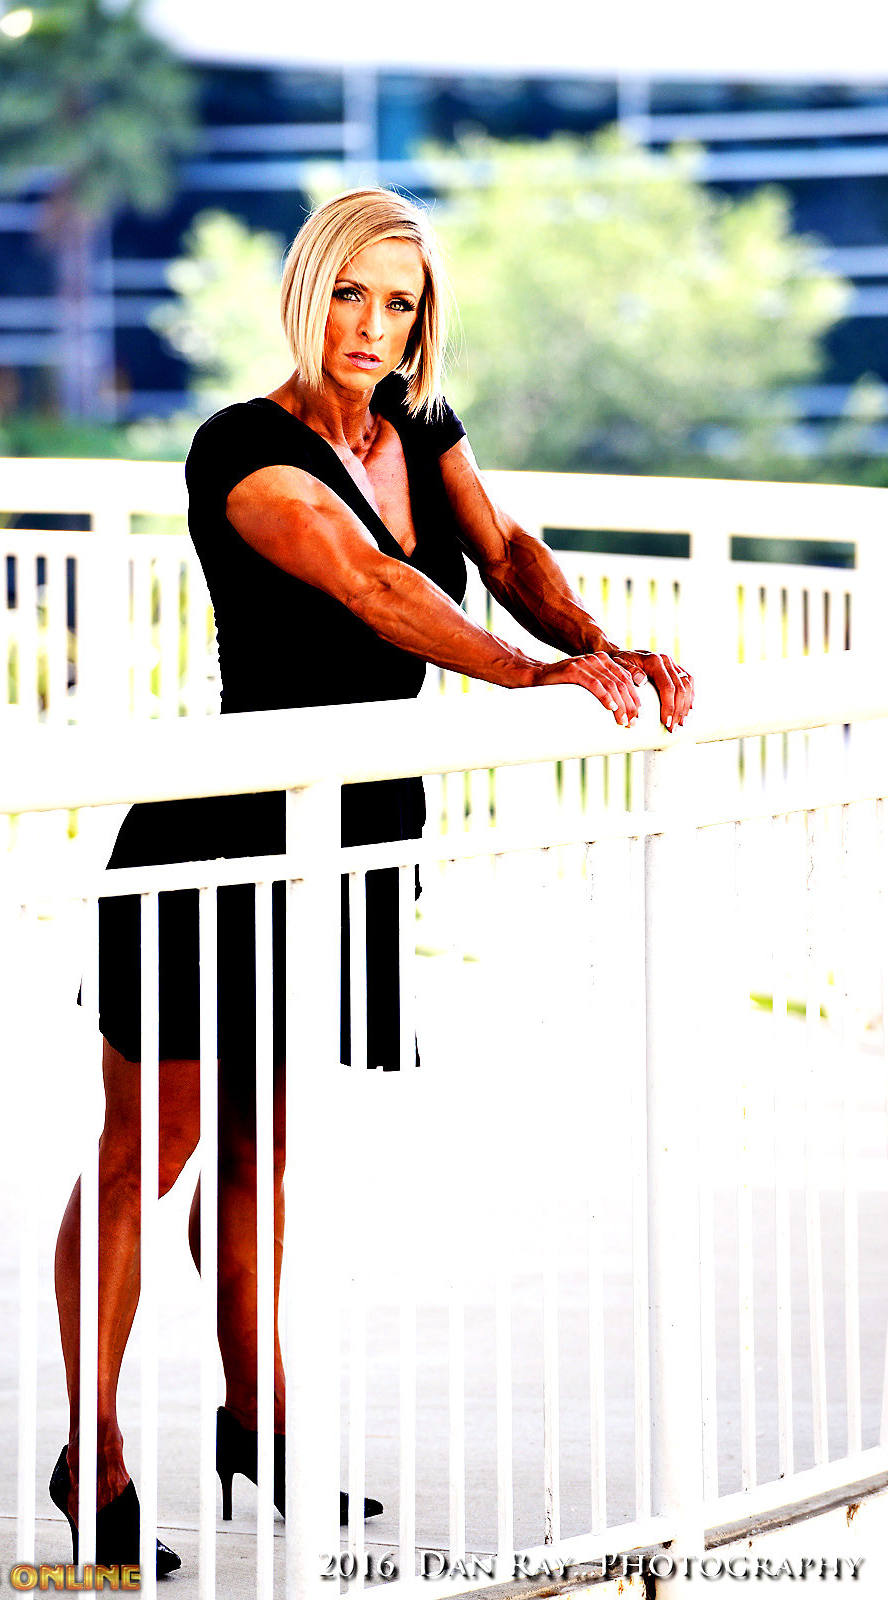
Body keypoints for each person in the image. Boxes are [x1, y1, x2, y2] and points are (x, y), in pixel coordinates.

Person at [49, 186, 695, 1571]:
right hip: (215, 837)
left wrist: (600, 647)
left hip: (346, 840)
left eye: (400, 302)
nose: (373, 324)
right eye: (351, 292)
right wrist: (528, 677)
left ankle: (258, 1426)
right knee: (149, 1150)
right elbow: (375, 588)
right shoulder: (243, 448)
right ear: (307, 293)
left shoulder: (419, 426)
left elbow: (501, 553)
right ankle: (92, 1455)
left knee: (264, 1149)